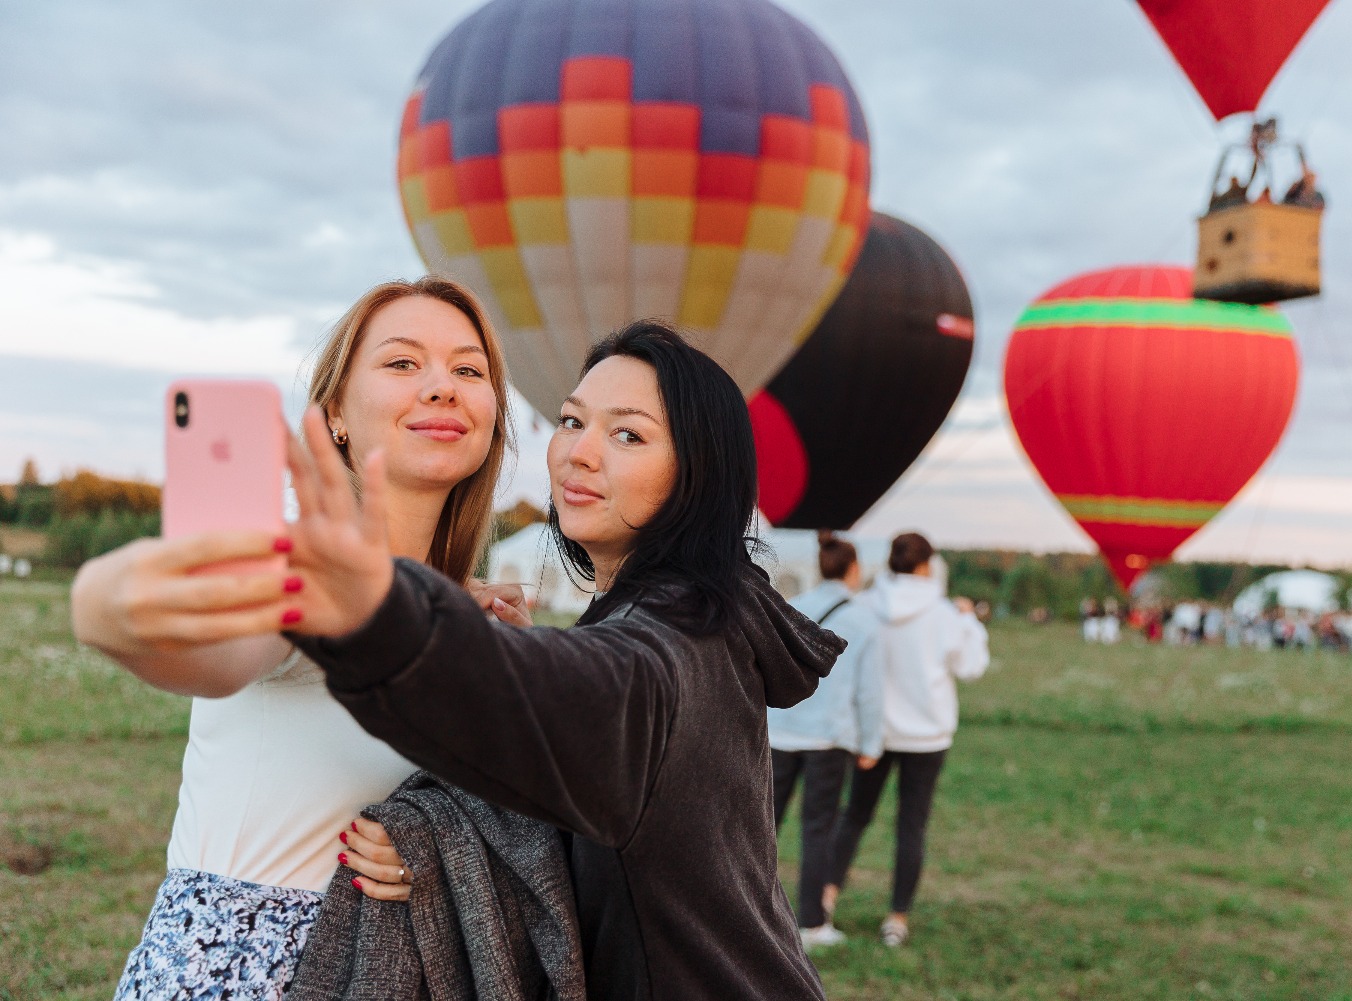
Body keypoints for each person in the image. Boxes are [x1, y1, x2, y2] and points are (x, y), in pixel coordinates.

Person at [155, 321, 841, 1000]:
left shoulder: (673, 642)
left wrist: (384, 607)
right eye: (572, 422)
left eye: (628, 434)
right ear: (333, 412)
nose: (581, 453)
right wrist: (454, 838)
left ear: (699, 473)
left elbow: (571, 701)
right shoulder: (669, 616)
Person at [70, 277, 527, 998]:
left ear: (493, 417)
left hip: (389, 973)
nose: (442, 386)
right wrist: (111, 608)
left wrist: (435, 849)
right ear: (336, 414)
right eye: (403, 363)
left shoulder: (472, 624)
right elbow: (221, 652)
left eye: (469, 370)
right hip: (240, 974)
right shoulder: (298, 567)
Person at [824, 532, 989, 948]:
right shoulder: (944, 613)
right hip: (927, 733)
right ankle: (896, 918)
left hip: (873, 731)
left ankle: (825, 897)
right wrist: (970, 621)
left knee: (854, 816)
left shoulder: (865, 606)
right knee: (911, 825)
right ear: (925, 565)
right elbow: (971, 667)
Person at [768, 533, 885, 949]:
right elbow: (870, 692)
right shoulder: (864, 619)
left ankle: (746, 911)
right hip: (829, 737)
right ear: (854, 570)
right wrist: (871, 744)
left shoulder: (795, 608)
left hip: (780, 730)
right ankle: (812, 922)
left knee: (764, 826)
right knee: (818, 829)